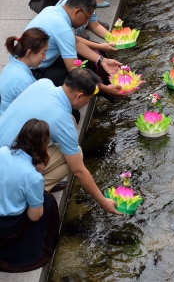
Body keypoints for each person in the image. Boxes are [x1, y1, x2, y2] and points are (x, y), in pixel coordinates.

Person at [0, 70, 122, 214]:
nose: (87, 102)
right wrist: (102, 201)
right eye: (88, 99)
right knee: (75, 156)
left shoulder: (43, 83)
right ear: (79, 96)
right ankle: (33, 191)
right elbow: (78, 170)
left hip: (4, 152)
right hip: (10, 170)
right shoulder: (62, 121)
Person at [25, 0, 124, 99]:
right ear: (77, 12)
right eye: (86, 18)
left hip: (42, 59)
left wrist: (102, 60)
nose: (86, 23)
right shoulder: (63, 28)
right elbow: (74, 71)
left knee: (90, 64)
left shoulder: (52, 9)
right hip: (33, 72)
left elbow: (75, 42)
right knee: (75, 83)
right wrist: (104, 88)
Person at [0, 120, 60, 273]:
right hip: (7, 228)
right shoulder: (33, 177)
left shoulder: (3, 151)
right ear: (43, 145)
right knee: (47, 202)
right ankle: (30, 251)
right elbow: (34, 216)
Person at [0, 29, 49, 116]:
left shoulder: (13, 62)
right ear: (29, 53)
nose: (45, 57)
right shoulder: (24, 80)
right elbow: (36, 109)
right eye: (43, 53)